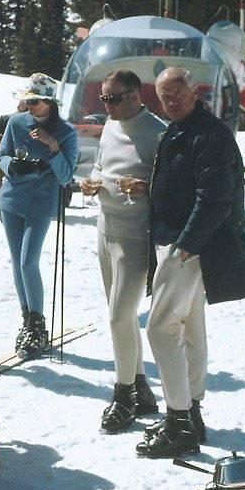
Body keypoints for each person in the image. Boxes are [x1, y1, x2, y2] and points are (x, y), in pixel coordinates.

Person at [137, 69, 245, 459]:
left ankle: (178, 421)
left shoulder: (211, 134)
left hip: (188, 246)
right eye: (164, 96)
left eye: (177, 93)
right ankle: (191, 411)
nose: (171, 101)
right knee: (189, 327)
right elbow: (184, 181)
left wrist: (186, 246)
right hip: (175, 240)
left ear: (195, 91)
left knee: (159, 329)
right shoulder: (180, 129)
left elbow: (216, 198)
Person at [79, 70, 165, 433]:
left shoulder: (156, 131)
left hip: (135, 236)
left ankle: (124, 393)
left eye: (114, 99)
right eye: (104, 99)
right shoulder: (111, 126)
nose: (108, 106)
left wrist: (147, 187)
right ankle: (141, 386)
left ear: (135, 95)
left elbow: (169, 183)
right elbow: (102, 163)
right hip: (106, 228)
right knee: (121, 315)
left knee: (119, 315)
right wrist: (94, 180)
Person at [0, 75, 78, 361]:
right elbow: (1, 155)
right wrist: (11, 165)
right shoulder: (16, 122)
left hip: (42, 203)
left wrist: (53, 148)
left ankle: (38, 323)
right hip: (11, 200)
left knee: (28, 261)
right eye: (27, 100)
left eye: (34, 100)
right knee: (18, 264)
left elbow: (67, 175)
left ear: (50, 102)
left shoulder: (66, 132)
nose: (28, 105)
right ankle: (27, 320)